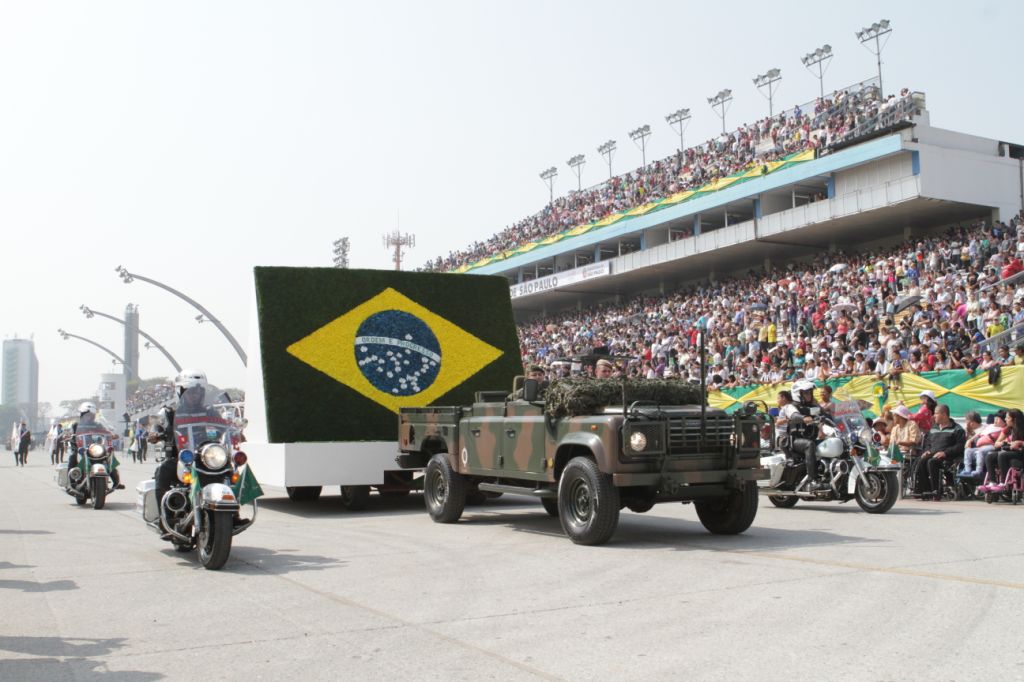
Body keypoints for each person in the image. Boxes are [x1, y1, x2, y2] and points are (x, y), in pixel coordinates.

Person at [66, 403, 124, 490]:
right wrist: (68, 436)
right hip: (80, 448)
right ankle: (72, 483)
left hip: (95, 448)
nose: (90, 417)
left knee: (109, 456)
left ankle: (116, 482)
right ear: (82, 415)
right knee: (72, 457)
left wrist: (112, 435)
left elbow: (105, 432)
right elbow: (70, 433)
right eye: (87, 415)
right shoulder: (76, 425)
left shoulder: (97, 424)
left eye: (92, 415)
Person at [915, 405, 966, 500]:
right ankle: (924, 489)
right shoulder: (933, 428)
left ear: (944, 414)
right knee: (921, 460)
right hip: (933, 454)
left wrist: (945, 453)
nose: (933, 416)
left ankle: (936, 491)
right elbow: (928, 443)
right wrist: (926, 451)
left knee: (932, 462)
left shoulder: (957, 429)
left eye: (936, 413)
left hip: (949, 457)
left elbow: (960, 446)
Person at [788, 380, 823, 490]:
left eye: (810, 392)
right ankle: (812, 479)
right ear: (798, 394)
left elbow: (825, 414)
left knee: (829, 443)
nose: (809, 395)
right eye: (806, 393)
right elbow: (794, 416)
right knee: (809, 445)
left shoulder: (813, 406)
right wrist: (803, 418)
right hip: (794, 441)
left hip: (810, 439)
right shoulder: (791, 406)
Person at [982, 408, 1024, 489]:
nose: (1005, 419)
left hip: (1021, 452)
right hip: (1010, 451)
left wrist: (1020, 443)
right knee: (989, 456)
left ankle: (1003, 482)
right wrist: (1004, 443)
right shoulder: (1007, 429)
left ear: (1014, 419)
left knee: (1002, 455)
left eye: (1007, 418)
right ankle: (992, 482)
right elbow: (996, 444)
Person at [961, 410, 1002, 480]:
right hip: (979, 448)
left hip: (990, 447)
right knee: (968, 451)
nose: (995, 421)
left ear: (971, 422)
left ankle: (978, 471)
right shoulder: (990, 427)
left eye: (997, 419)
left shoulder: (1001, 429)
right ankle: (967, 470)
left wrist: (970, 435)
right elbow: (979, 434)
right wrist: (969, 439)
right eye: (995, 419)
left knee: (980, 451)